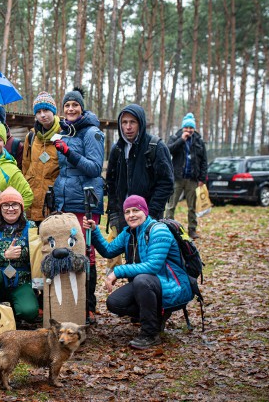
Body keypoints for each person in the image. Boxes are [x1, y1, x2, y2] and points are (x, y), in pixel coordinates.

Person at [83, 195, 193, 350]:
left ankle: (150, 334)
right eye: (127, 212)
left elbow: (153, 266)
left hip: (172, 284)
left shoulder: (158, 231)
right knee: (115, 303)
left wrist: (117, 272)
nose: (131, 215)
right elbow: (108, 251)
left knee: (142, 280)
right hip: (149, 285)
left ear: (145, 211)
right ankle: (156, 316)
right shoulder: (129, 232)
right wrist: (94, 231)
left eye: (136, 210)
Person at [52, 88, 105, 325]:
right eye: (67, 106)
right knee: (69, 252)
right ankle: (70, 306)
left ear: (81, 108)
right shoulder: (63, 132)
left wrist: (69, 152)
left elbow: (94, 168)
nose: (71, 109)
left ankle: (88, 307)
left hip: (85, 202)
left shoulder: (92, 133)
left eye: (75, 105)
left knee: (86, 253)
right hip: (65, 202)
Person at [106, 103, 174, 232]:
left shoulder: (155, 147)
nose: (128, 127)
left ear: (141, 123)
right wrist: (114, 212)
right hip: (124, 216)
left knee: (149, 251)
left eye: (133, 122)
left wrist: (151, 214)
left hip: (149, 217)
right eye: (124, 122)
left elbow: (166, 183)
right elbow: (111, 182)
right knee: (129, 251)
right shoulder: (117, 149)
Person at [0, 187, 39, 325]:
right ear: (0, 207)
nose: (10, 209)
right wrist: (4, 255)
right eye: (6, 205)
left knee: (29, 312)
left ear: (21, 207)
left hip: (21, 281)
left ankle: (17, 311)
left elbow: (37, 258)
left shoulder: (31, 227)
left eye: (15, 204)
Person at [164, 113, 208, 239]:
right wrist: (181, 140)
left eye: (191, 128)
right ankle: (168, 228)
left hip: (192, 179)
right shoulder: (175, 137)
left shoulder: (199, 141)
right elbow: (168, 150)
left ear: (194, 128)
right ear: (183, 127)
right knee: (171, 205)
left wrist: (202, 179)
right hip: (177, 178)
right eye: (186, 127)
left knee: (192, 207)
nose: (188, 130)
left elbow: (204, 161)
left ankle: (192, 230)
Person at [22, 91, 61, 224]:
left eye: (46, 110)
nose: (42, 115)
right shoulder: (31, 136)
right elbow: (25, 167)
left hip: (53, 201)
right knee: (33, 241)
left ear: (53, 111)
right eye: (38, 112)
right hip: (32, 199)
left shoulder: (64, 134)